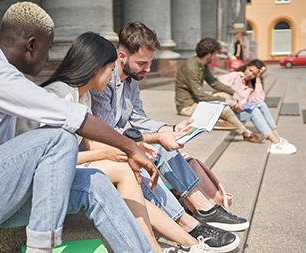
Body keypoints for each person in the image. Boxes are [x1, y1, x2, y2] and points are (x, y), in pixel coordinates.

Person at [0, 3, 161, 253]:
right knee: (59, 137)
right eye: (48, 49)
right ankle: (41, 249)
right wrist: (131, 147)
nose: (48, 58)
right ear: (32, 44)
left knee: (95, 183)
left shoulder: (0, 71)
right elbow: (67, 114)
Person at [17, 31, 215, 253]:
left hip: (62, 167)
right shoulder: (60, 97)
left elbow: (92, 145)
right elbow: (50, 160)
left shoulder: (83, 95)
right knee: (122, 170)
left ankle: (190, 244)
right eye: (111, 69)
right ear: (96, 67)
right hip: (37, 178)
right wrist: (109, 154)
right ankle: (167, 246)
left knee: (127, 170)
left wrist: (129, 150)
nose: (113, 76)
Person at [90, 21, 246, 252]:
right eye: (142, 63)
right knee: (149, 152)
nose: (148, 69)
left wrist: (171, 129)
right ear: (121, 55)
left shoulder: (132, 80)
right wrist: (153, 139)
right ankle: (186, 222)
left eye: (150, 63)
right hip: (103, 148)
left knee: (165, 145)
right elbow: (108, 132)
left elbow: (139, 118)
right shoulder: (103, 80)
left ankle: (203, 207)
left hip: (121, 141)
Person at [175, 37, 265, 143]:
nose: (215, 57)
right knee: (224, 108)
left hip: (196, 101)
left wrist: (233, 92)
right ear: (209, 54)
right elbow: (199, 95)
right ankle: (245, 133)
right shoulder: (192, 68)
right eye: (215, 54)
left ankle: (223, 120)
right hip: (187, 106)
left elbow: (214, 82)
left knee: (225, 96)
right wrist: (225, 101)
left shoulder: (201, 65)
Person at [215, 59, 297, 155]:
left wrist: (258, 78)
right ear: (246, 67)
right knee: (254, 112)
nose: (250, 75)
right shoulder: (235, 76)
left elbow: (259, 100)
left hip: (237, 112)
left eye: (254, 74)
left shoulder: (250, 85)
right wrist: (232, 102)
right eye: (250, 70)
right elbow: (218, 86)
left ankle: (277, 137)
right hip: (225, 112)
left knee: (262, 105)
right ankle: (275, 142)